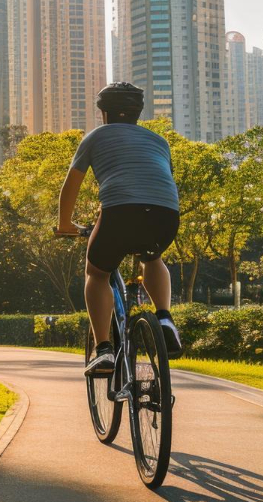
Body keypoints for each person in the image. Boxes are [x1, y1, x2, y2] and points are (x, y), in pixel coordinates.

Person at [54, 82, 183, 377]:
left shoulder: (97, 136)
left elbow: (71, 185)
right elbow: (154, 181)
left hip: (120, 211)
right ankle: (164, 319)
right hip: (166, 213)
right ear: (139, 113)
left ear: (103, 112)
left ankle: (103, 351)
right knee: (152, 257)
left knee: (97, 273)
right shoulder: (159, 141)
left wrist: (65, 224)